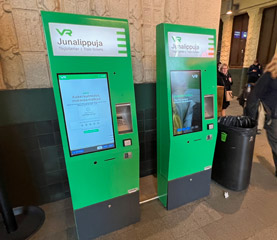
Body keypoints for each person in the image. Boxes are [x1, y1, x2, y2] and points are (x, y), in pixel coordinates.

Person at [245, 53, 277, 176]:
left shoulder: (269, 76)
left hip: (273, 116)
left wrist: (249, 119)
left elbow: (254, 96)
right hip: (273, 115)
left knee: (275, 142)